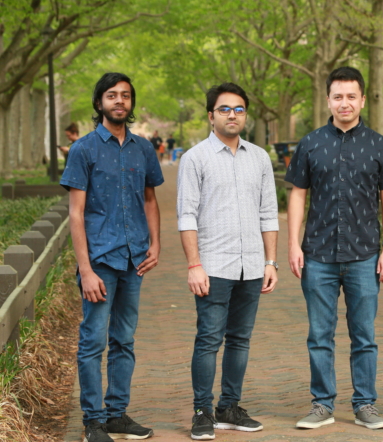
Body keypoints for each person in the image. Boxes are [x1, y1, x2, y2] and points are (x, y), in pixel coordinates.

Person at [285, 67, 383, 431]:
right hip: (318, 255)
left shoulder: (380, 145)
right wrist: (293, 244)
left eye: (352, 96)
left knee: (363, 335)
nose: (345, 103)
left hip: (365, 254)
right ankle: (322, 404)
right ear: (328, 100)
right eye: (338, 96)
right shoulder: (310, 143)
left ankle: (365, 404)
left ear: (362, 99)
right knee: (319, 335)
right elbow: (298, 195)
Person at [61, 73, 163, 442]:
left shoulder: (143, 149)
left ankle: (117, 414)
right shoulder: (84, 149)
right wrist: (85, 270)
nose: (119, 101)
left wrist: (156, 244)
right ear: (99, 102)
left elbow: (150, 200)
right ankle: (93, 421)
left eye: (125, 96)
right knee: (93, 342)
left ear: (131, 103)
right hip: (100, 261)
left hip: (134, 260)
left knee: (124, 339)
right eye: (111, 95)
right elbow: (76, 213)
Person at [177, 82, 279, 441]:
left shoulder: (260, 158)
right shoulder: (195, 159)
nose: (232, 115)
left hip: (251, 266)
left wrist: (271, 262)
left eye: (238, 109)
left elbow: (269, 213)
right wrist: (194, 265)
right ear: (211, 115)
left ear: (245, 115)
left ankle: (229, 407)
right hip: (213, 267)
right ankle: (203, 411)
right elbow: (186, 216)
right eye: (224, 109)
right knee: (208, 339)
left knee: (240, 339)